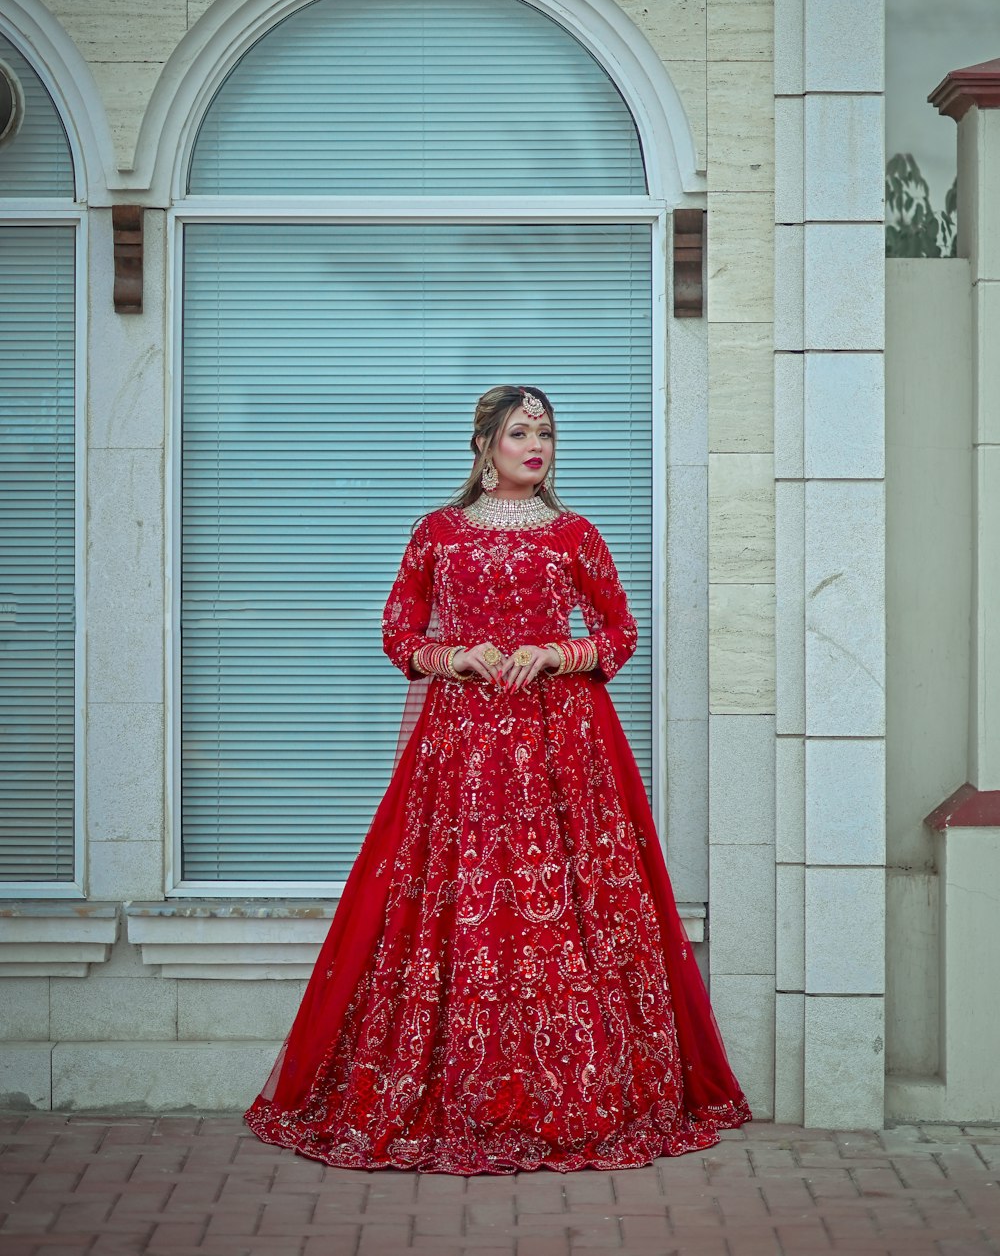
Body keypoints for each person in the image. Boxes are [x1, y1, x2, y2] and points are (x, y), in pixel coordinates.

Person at [244, 384, 751, 1173]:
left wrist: (556, 653)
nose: (535, 444)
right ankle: (453, 1093)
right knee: (459, 904)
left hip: (564, 749)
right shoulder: (439, 535)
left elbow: (619, 632)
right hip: (463, 750)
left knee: (572, 903)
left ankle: (583, 1093)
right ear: (484, 446)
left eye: (544, 431)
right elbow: (396, 631)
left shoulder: (575, 534)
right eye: (519, 432)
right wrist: (456, 657)